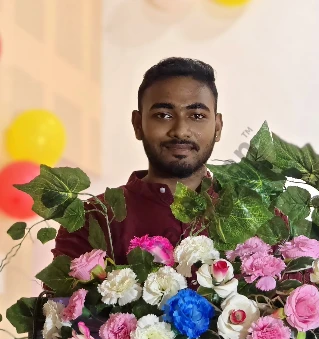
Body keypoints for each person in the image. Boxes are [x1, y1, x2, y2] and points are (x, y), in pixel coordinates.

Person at [52, 57, 223, 263]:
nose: (180, 131)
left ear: (217, 127)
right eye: (163, 115)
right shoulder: (92, 218)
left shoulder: (251, 212)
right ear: (138, 124)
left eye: (196, 116)